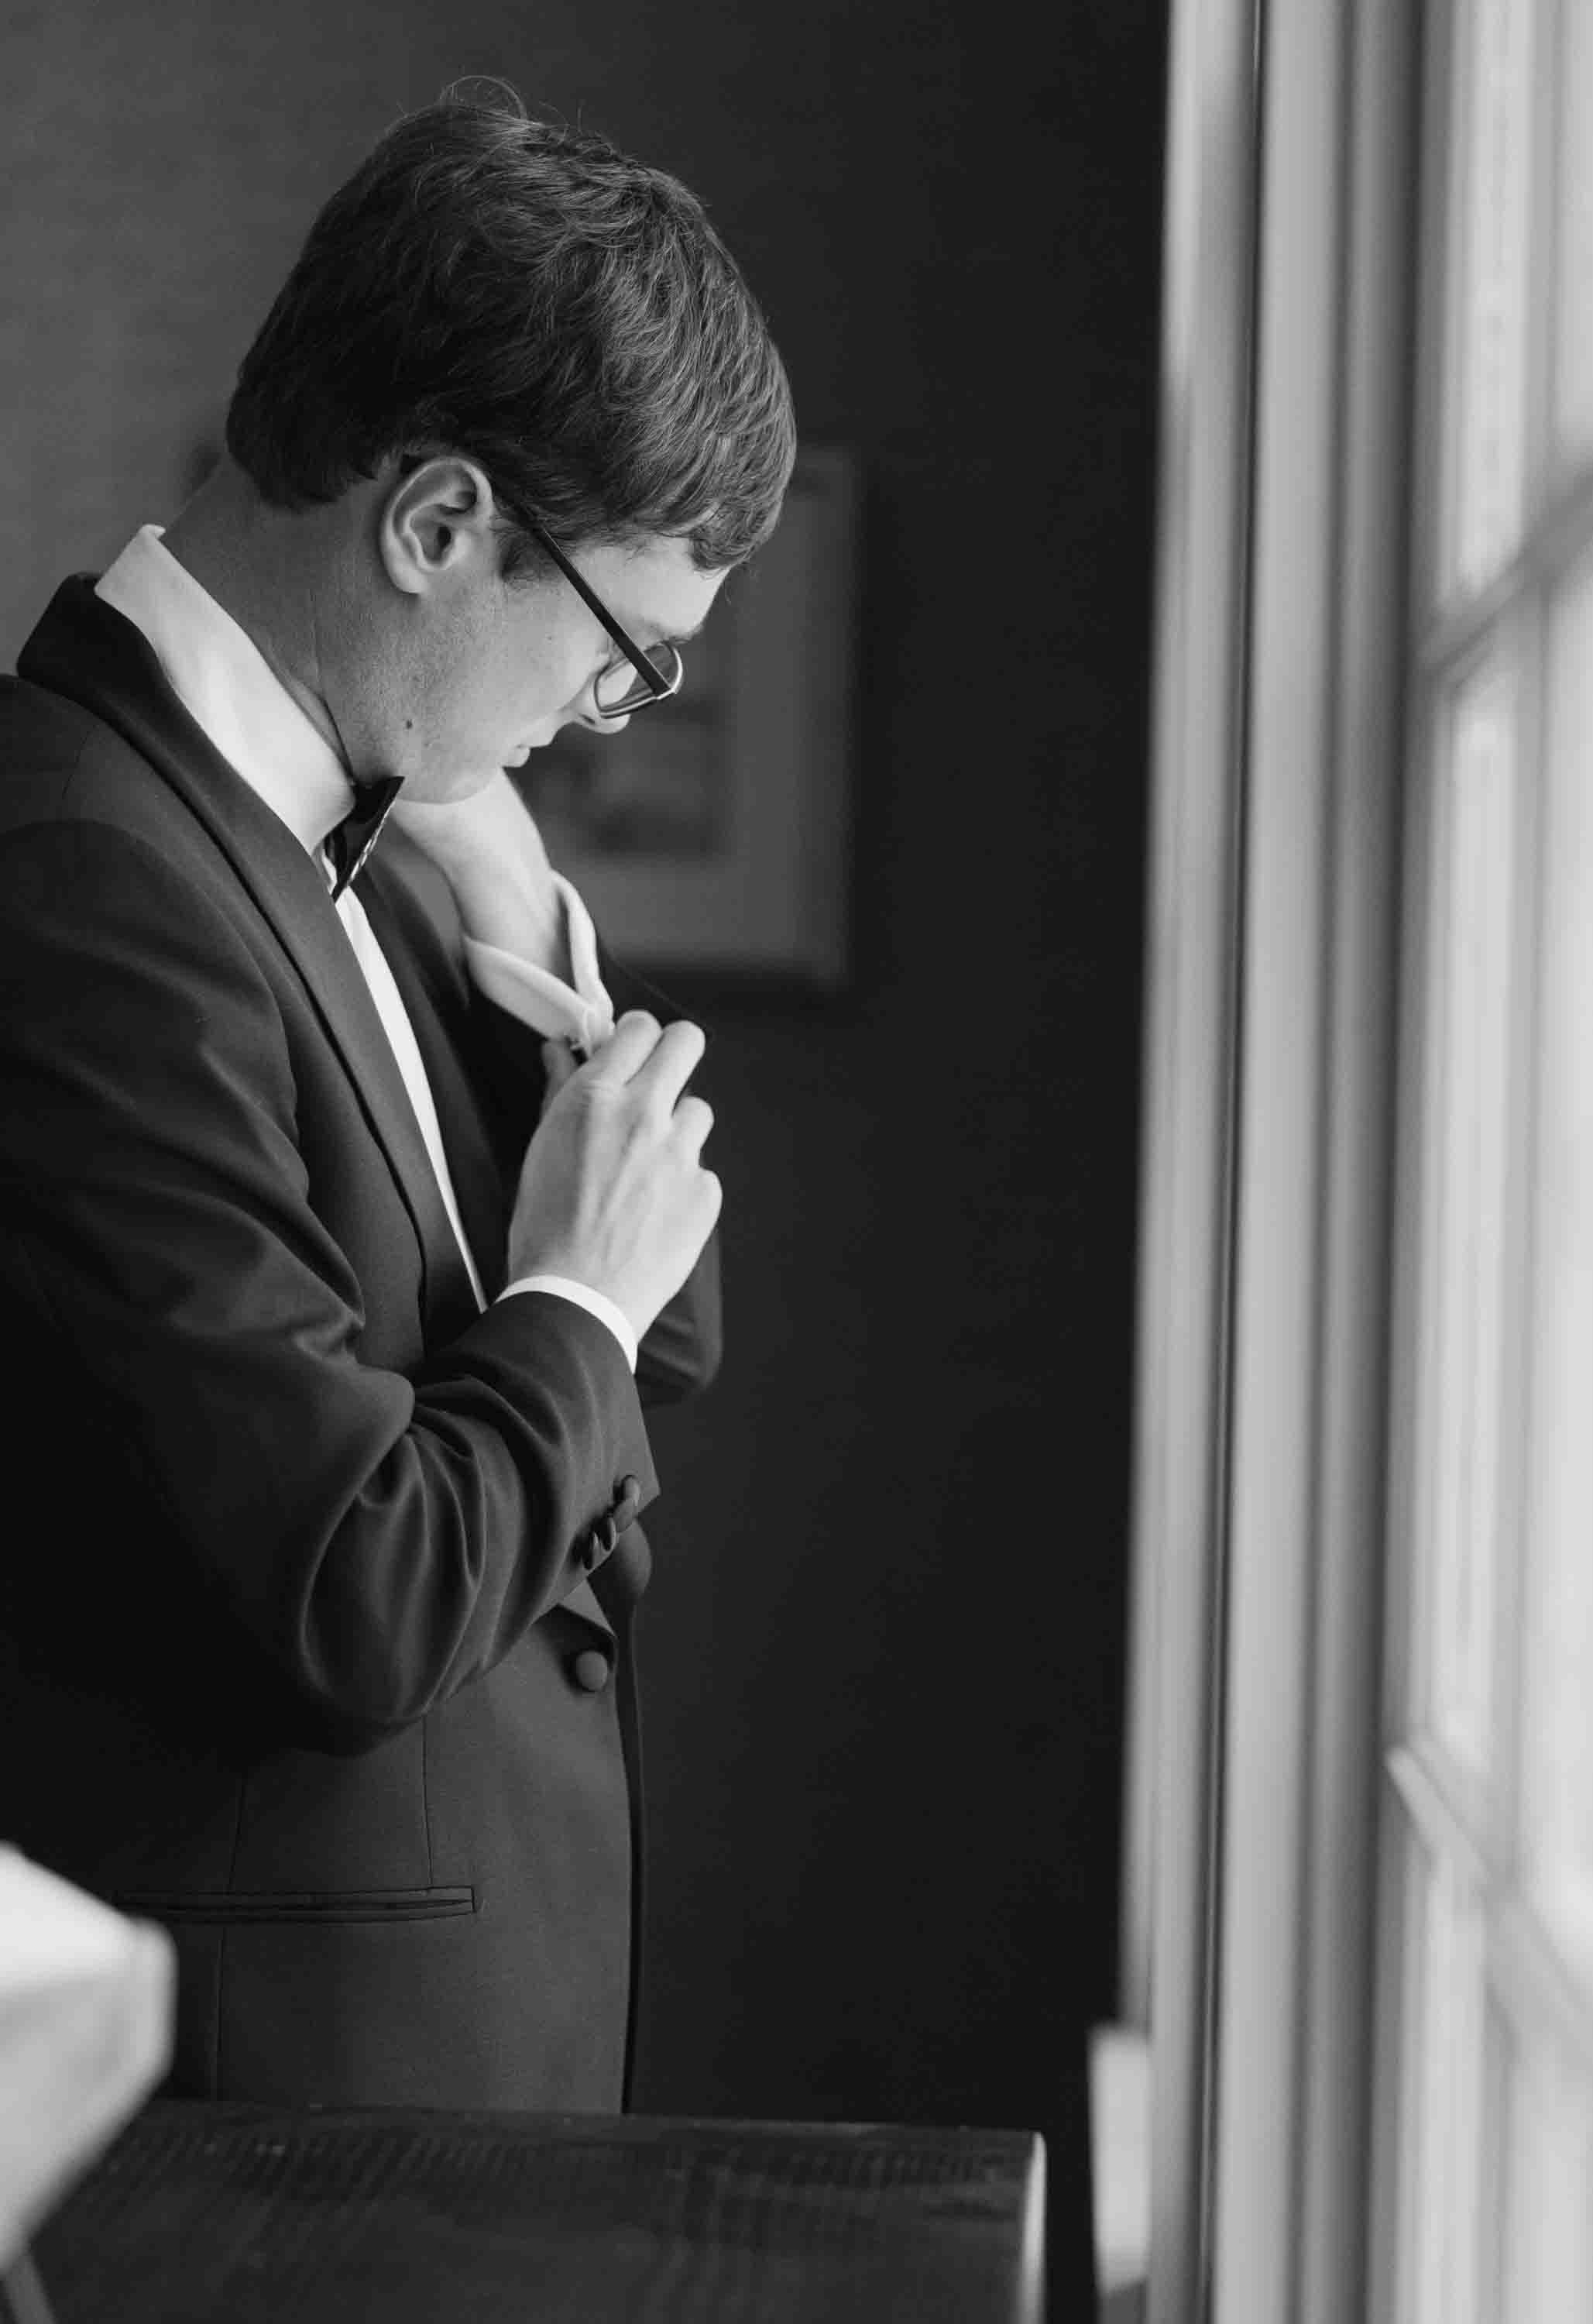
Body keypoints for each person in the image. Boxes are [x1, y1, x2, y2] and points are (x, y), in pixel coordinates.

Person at [0, 88, 795, 2112]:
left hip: (437, 2079)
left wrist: (524, 922)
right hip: (281, 2139)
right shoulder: (88, 871)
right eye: (628, 653)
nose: (611, 716)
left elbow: (662, 1335)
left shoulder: (374, 826)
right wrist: (578, 1297)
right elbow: (356, 1591)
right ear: (438, 526)